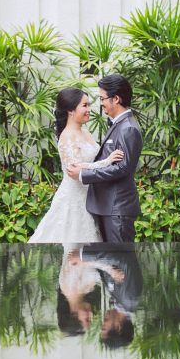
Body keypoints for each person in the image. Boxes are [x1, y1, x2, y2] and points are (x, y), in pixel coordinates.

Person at [28, 88, 124, 243]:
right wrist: (107, 162)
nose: (89, 109)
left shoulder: (85, 132)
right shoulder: (67, 136)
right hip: (74, 198)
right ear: (71, 111)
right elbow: (75, 170)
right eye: (85, 105)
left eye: (89, 105)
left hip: (90, 197)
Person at [66, 74, 143, 243]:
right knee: (110, 258)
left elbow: (122, 168)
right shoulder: (119, 125)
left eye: (102, 98)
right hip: (108, 207)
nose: (100, 103)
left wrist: (83, 175)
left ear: (116, 99)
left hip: (117, 209)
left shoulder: (128, 128)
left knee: (120, 257)